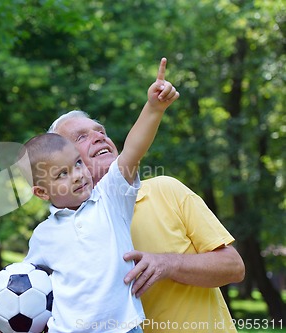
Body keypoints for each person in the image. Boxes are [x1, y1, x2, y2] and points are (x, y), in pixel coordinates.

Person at [0, 58, 179, 333]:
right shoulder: (43, 236)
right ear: (42, 192)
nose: (78, 175)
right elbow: (22, 286)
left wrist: (154, 108)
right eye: (62, 174)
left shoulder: (110, 200)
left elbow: (133, 149)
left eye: (77, 164)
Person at [48, 112, 245, 329]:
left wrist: (168, 264)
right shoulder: (57, 235)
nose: (99, 137)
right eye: (81, 137)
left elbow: (234, 267)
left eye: (101, 131)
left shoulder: (166, 189)